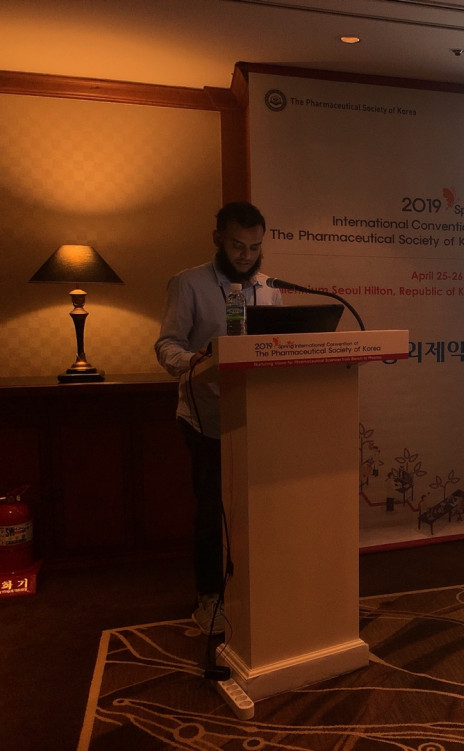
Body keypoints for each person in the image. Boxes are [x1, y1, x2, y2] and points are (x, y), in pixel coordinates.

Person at [154, 201, 282, 635]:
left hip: (255, 417)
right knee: (212, 511)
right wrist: (196, 360)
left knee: (255, 508)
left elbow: (275, 346)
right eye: (237, 246)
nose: (246, 255)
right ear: (218, 239)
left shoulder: (269, 289)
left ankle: (250, 588)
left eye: (254, 247)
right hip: (205, 417)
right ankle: (208, 597)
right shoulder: (188, 284)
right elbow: (167, 345)